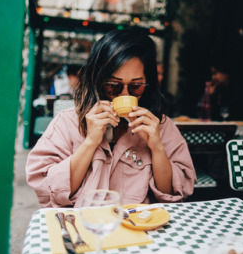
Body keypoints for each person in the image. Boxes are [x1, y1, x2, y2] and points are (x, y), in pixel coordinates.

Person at [26, 29, 196, 207]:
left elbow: (173, 195)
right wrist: (91, 141)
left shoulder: (160, 126)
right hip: (84, 226)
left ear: (148, 84)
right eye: (113, 85)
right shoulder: (68, 122)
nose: (124, 94)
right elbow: (46, 189)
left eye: (136, 86)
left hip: (139, 227)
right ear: (97, 81)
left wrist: (157, 147)